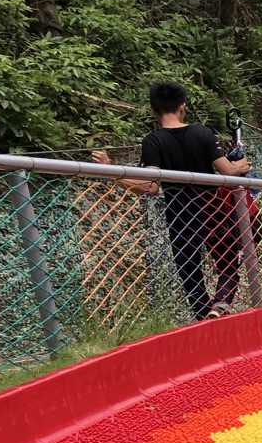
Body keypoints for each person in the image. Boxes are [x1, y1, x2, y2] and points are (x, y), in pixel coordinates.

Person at [96, 82, 251, 320]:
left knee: (189, 269)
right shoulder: (203, 133)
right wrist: (240, 166)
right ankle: (219, 306)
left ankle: (203, 316)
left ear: (152, 111)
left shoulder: (152, 141)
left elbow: (150, 186)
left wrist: (112, 172)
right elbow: (228, 173)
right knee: (228, 265)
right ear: (182, 107)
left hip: (180, 213)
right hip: (213, 209)